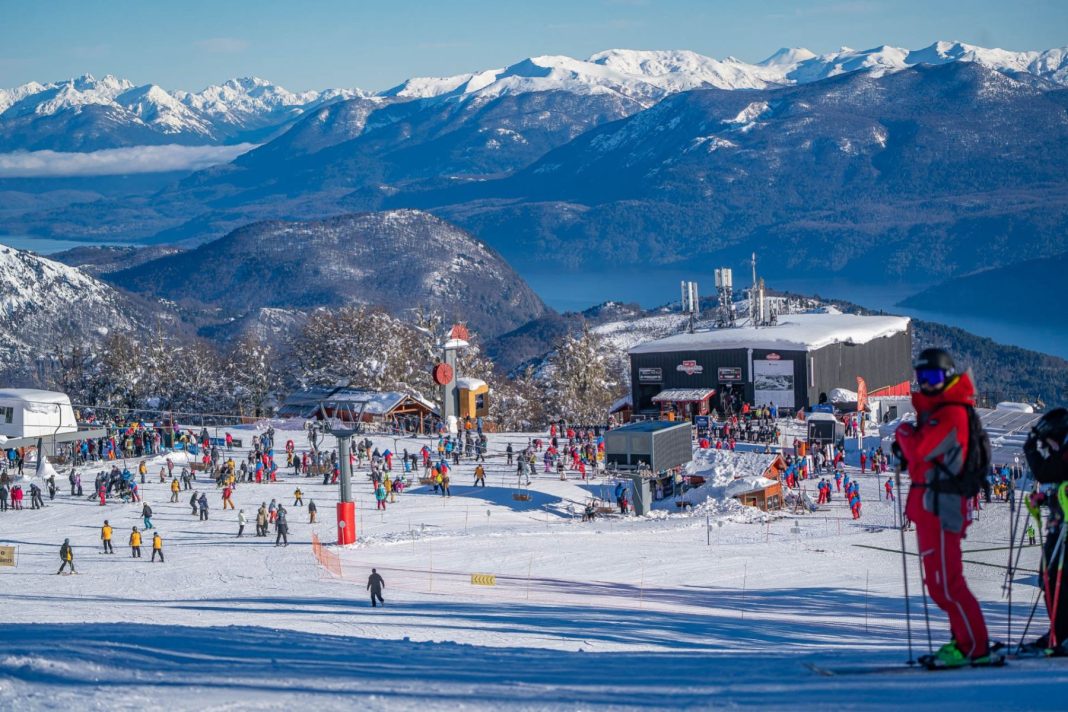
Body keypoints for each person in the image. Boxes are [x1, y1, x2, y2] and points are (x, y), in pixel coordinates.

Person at [894, 348, 994, 667]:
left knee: (947, 583)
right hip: (930, 506)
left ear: (948, 377)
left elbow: (920, 449)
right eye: (922, 377)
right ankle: (962, 640)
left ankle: (974, 646)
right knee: (939, 584)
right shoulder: (936, 411)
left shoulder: (951, 412)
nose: (927, 384)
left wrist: (903, 433)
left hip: (942, 506)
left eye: (934, 377)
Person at [1021, 407, 1068, 656]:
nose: (1047, 448)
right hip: (1060, 525)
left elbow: (1046, 471)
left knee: (1056, 578)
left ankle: (1061, 633)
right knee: (1048, 577)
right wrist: (1046, 498)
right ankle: (1058, 631)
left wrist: (1031, 449)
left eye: (1047, 442)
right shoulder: (1062, 453)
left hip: (1065, 529)